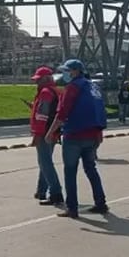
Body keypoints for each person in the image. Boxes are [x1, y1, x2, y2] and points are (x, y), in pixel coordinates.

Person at [45, 59, 108, 219]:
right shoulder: (93, 87)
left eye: (67, 70)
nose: (65, 73)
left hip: (74, 135)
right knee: (91, 169)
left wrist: (50, 132)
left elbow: (62, 112)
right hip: (92, 135)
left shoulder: (72, 87)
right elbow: (100, 110)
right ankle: (101, 203)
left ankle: (72, 208)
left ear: (76, 71)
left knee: (70, 171)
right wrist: (99, 132)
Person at [28, 66, 63, 206]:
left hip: (44, 133)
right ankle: (41, 191)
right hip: (53, 132)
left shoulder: (45, 93)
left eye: (39, 80)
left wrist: (37, 135)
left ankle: (56, 193)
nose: (36, 82)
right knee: (45, 162)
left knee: (45, 163)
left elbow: (42, 116)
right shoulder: (56, 91)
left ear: (46, 79)